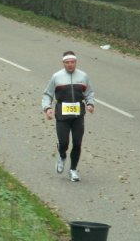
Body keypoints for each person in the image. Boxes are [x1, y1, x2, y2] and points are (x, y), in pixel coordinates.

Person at [42, 50, 95, 182]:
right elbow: (47, 94)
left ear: (76, 62)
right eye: (67, 62)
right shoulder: (57, 77)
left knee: (77, 142)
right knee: (64, 143)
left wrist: (90, 104)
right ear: (63, 63)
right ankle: (62, 156)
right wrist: (47, 108)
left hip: (78, 115)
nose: (70, 65)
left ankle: (73, 170)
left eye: (72, 62)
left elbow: (89, 93)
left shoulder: (83, 76)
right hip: (62, 115)